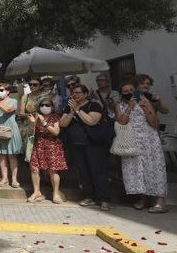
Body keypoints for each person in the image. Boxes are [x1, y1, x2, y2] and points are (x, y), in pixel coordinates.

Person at [114, 81, 168, 213]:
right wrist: (129, 108)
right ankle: (142, 198)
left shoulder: (145, 102)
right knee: (136, 170)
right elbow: (121, 122)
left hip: (149, 140)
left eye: (131, 90)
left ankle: (160, 201)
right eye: (125, 91)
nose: (128, 93)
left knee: (155, 168)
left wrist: (147, 109)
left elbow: (155, 123)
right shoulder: (119, 105)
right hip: (131, 141)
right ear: (121, 94)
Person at [60, 85, 111, 210]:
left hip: (93, 144)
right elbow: (62, 123)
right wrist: (71, 112)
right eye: (73, 93)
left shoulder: (93, 105)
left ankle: (103, 199)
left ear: (86, 93)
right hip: (76, 144)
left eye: (78, 92)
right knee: (83, 172)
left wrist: (78, 110)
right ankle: (90, 196)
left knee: (98, 172)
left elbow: (91, 121)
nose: (75, 95)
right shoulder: (69, 107)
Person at [27, 99, 66, 203]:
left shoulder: (55, 117)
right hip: (38, 145)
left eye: (47, 105)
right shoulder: (37, 116)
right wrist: (32, 123)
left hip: (52, 146)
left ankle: (56, 194)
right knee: (34, 168)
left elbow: (56, 132)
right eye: (42, 105)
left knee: (52, 170)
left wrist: (44, 123)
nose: (44, 107)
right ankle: (36, 192)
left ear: (52, 107)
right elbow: (32, 132)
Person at [0, 82, 22, 188]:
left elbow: (7, 110)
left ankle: (14, 179)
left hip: (10, 130)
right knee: (1, 155)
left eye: (2, 90)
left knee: (12, 155)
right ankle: (4, 178)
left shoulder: (14, 101)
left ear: (8, 91)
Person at [19, 78, 51, 163]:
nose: (32, 86)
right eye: (30, 84)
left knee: (44, 153)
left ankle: (45, 175)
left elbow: (49, 112)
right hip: (28, 128)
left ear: (40, 86)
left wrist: (33, 114)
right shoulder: (25, 97)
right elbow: (21, 113)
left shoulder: (45, 97)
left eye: (35, 84)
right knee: (30, 153)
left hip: (42, 126)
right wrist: (35, 114)